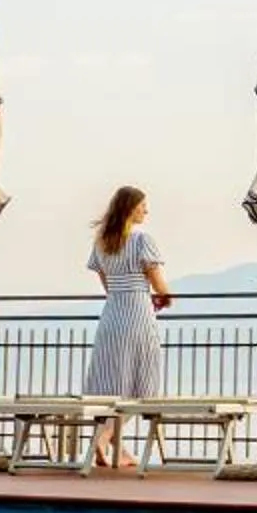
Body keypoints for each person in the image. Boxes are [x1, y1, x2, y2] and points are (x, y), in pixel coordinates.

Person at [86, 185, 170, 470]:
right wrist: (165, 298)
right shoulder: (141, 240)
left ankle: (118, 449)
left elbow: (108, 287)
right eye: (143, 205)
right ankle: (105, 436)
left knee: (113, 386)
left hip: (112, 316)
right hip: (137, 315)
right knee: (141, 386)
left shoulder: (101, 244)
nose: (147, 210)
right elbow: (159, 285)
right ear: (131, 208)